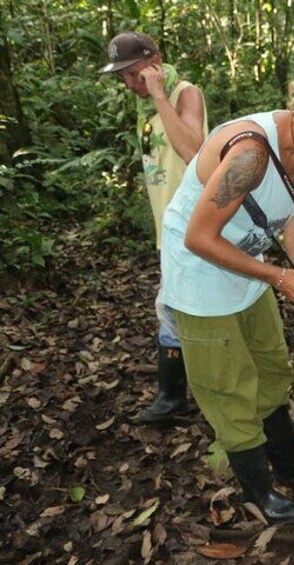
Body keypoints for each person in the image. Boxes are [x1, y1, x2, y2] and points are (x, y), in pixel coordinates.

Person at [160, 71, 294, 523]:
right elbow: (199, 238)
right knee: (229, 386)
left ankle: (289, 459)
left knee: (271, 365)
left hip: (253, 270)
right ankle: (259, 490)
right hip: (202, 276)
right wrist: (279, 278)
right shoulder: (250, 155)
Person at [99, 31, 208, 424]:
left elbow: (192, 150)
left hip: (193, 223)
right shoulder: (145, 107)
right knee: (174, 307)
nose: (130, 83)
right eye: (122, 77)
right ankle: (177, 394)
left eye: (134, 73)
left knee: (172, 307)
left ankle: (173, 397)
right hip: (169, 224)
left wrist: (161, 95)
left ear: (155, 61)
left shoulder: (184, 93)